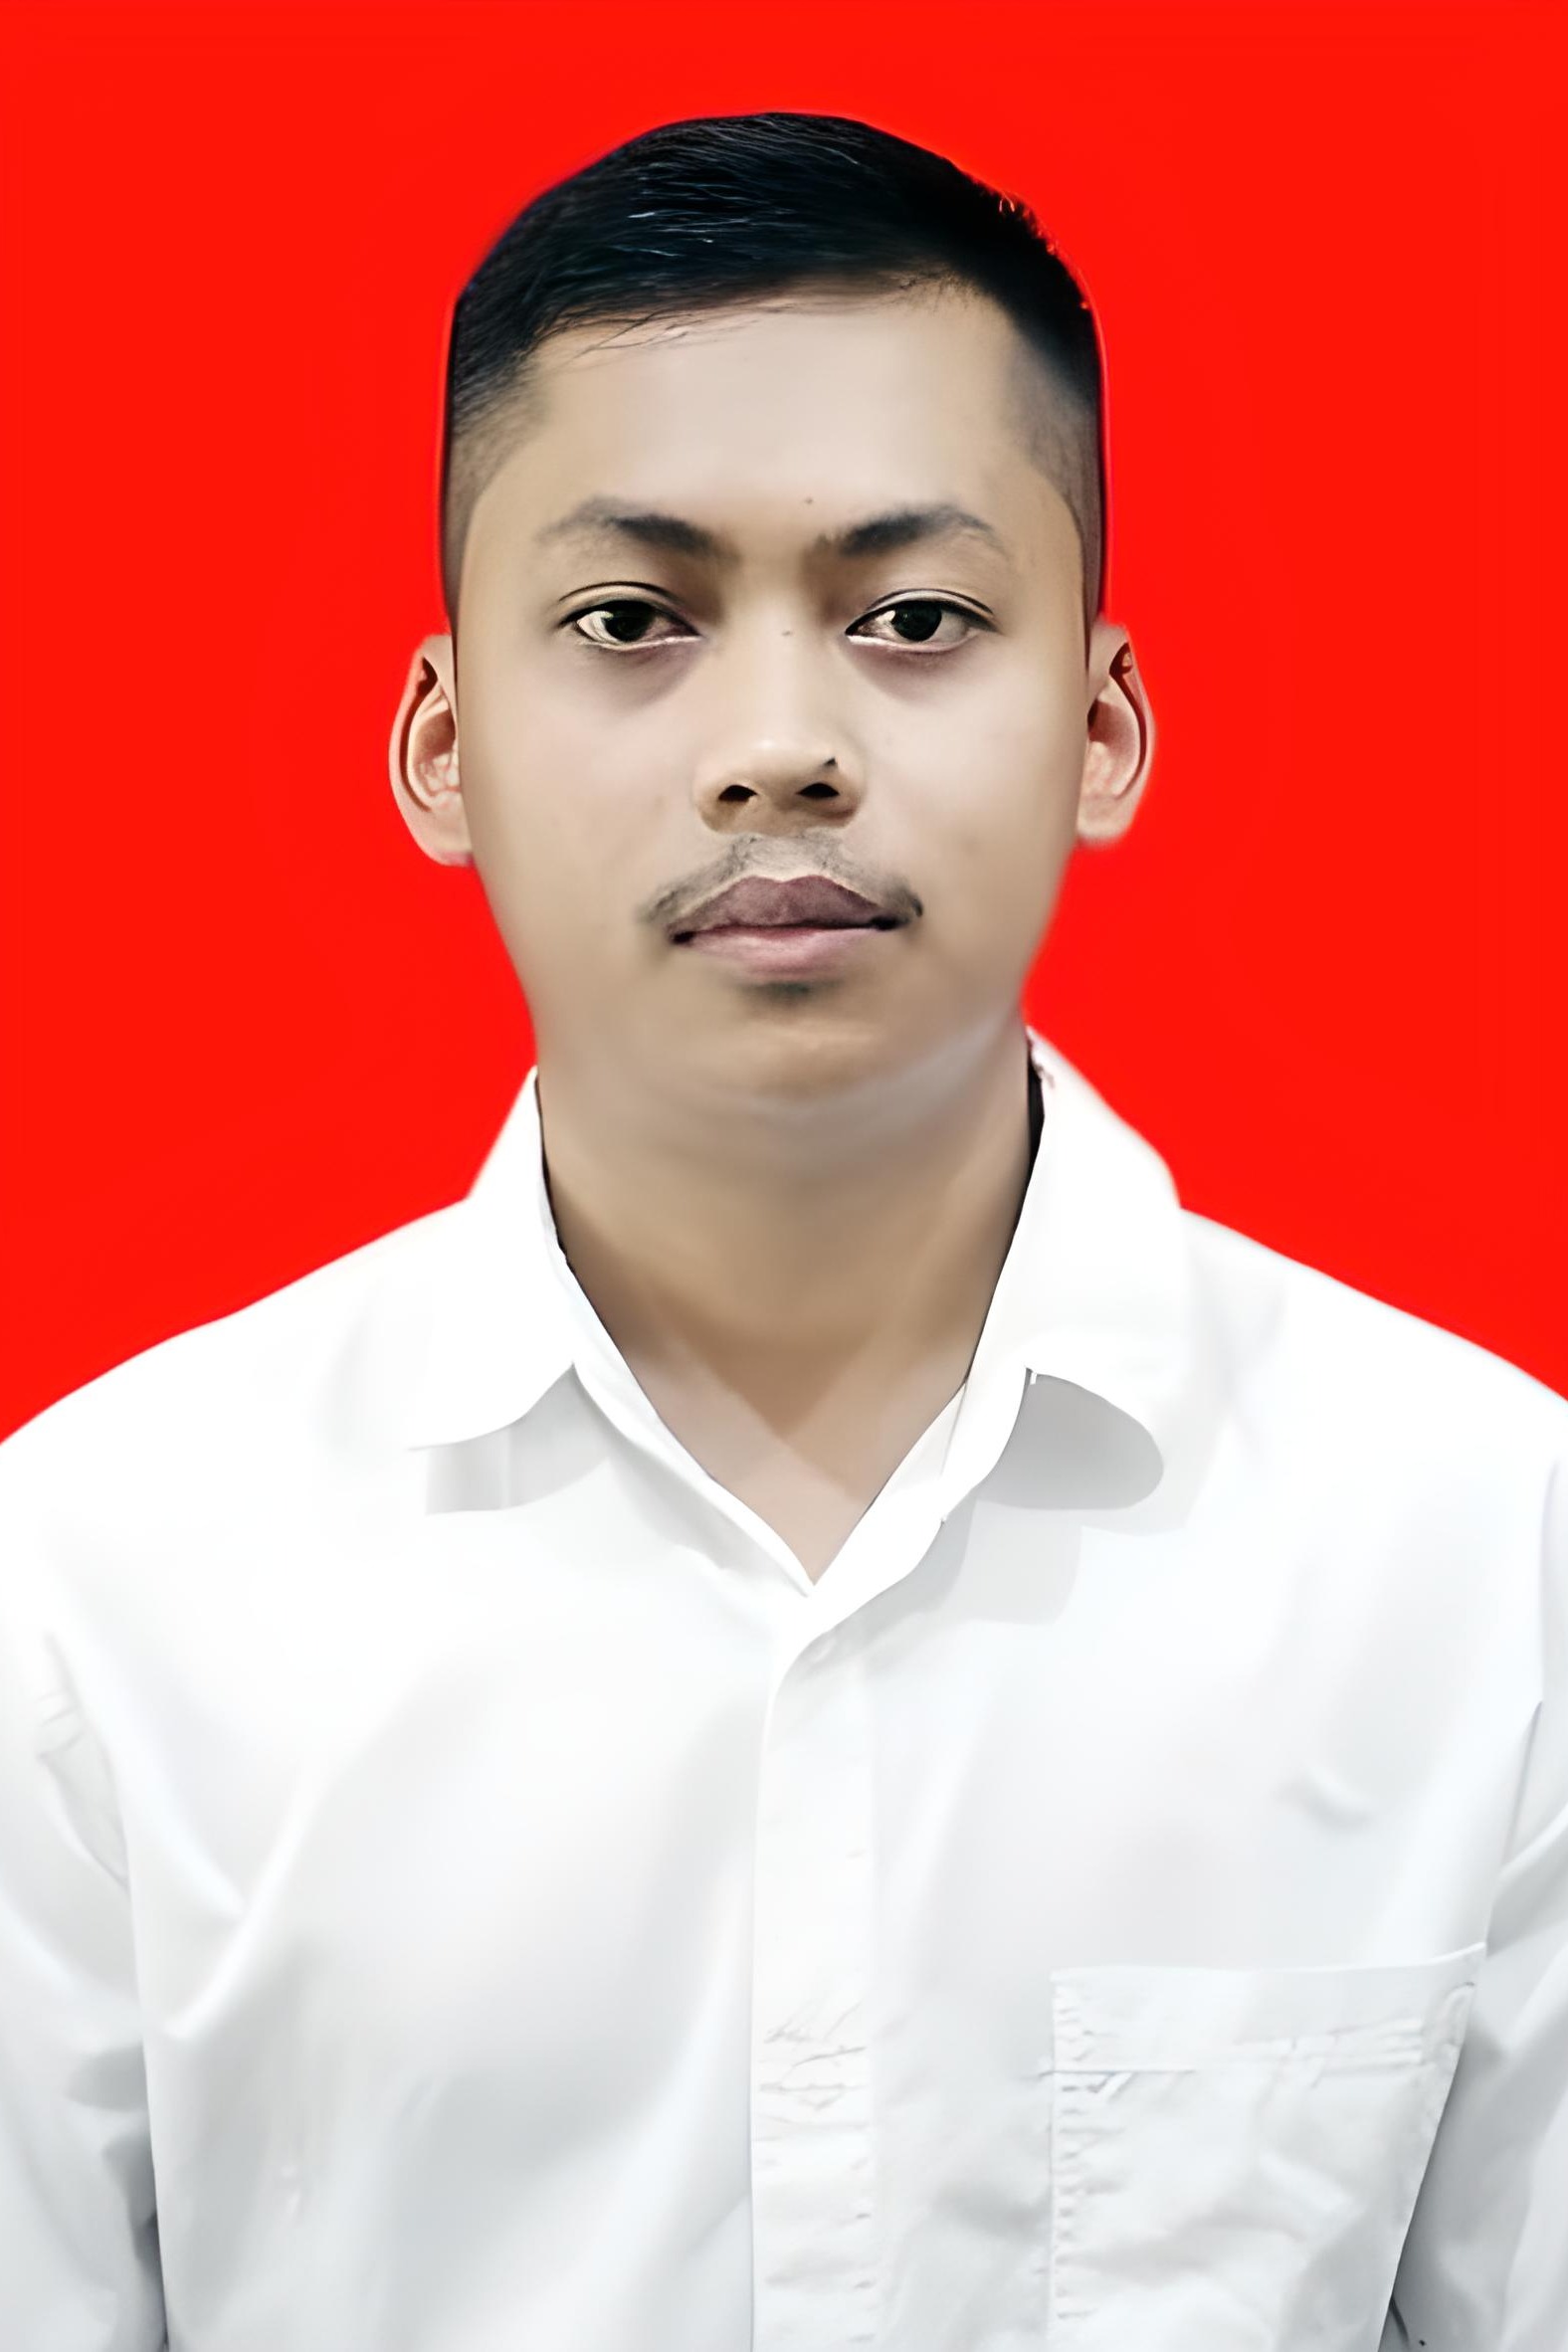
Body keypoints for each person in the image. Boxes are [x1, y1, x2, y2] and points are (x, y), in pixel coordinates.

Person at [0, 107, 1562, 2352]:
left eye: (912, 619)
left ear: (1100, 724)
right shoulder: (93, 1592)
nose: (775, 748)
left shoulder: (1485, 1549)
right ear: (442, 744)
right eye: (630, 620)